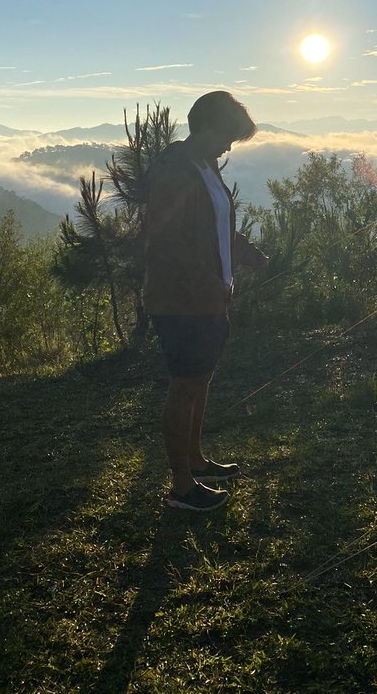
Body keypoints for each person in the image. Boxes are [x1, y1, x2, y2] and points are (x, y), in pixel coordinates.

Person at [143, 91, 267, 512]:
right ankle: (181, 486)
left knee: (200, 381)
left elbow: (218, 227)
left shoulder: (205, 165)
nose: (230, 145)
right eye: (228, 135)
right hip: (180, 301)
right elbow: (165, 244)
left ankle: (195, 461)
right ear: (208, 126)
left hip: (209, 298)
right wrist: (208, 283)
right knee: (185, 386)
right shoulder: (175, 173)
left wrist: (248, 256)